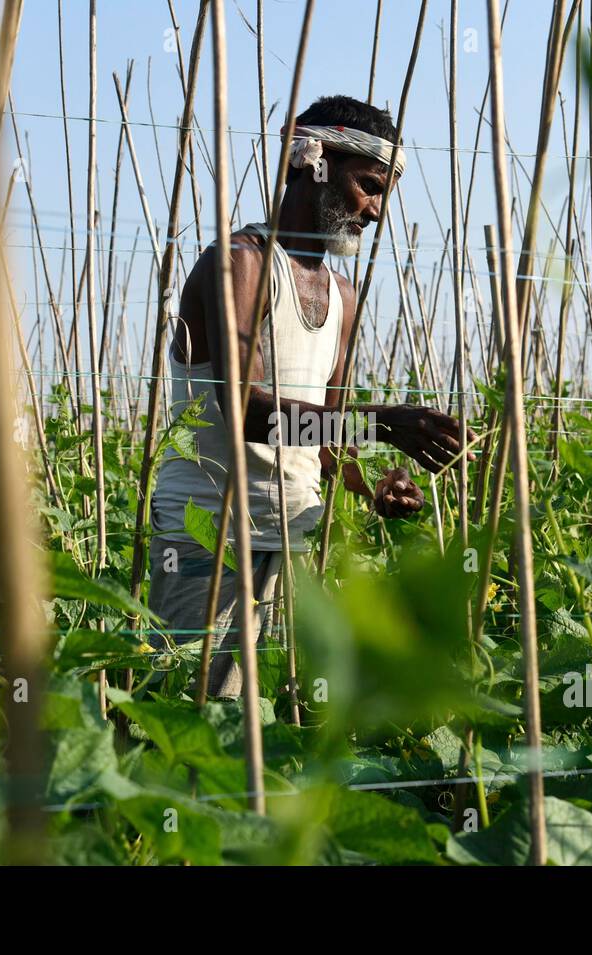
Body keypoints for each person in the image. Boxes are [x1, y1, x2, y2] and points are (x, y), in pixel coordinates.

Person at [148, 94, 471, 699]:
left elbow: (322, 433)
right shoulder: (240, 264)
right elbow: (247, 414)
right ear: (313, 160)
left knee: (278, 727)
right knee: (199, 726)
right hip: (209, 539)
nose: (374, 213)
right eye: (368, 187)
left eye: (383, 197)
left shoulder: (343, 298)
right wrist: (381, 423)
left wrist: (367, 483)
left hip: (295, 536)